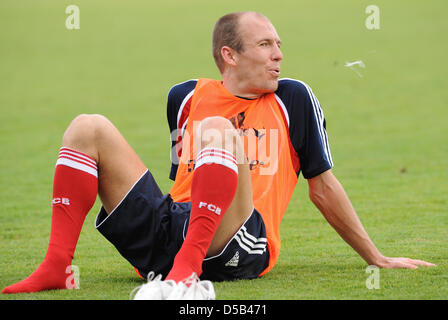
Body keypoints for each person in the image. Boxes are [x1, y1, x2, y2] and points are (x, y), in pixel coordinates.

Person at [2, 11, 435, 298]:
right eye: (265, 44)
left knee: (218, 132)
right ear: (229, 55)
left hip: (244, 241)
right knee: (87, 126)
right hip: (177, 229)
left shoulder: (294, 99)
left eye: (278, 44)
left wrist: (375, 258)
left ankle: (188, 270)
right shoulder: (184, 97)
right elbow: (182, 181)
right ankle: (57, 265)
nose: (279, 55)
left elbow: (322, 187)